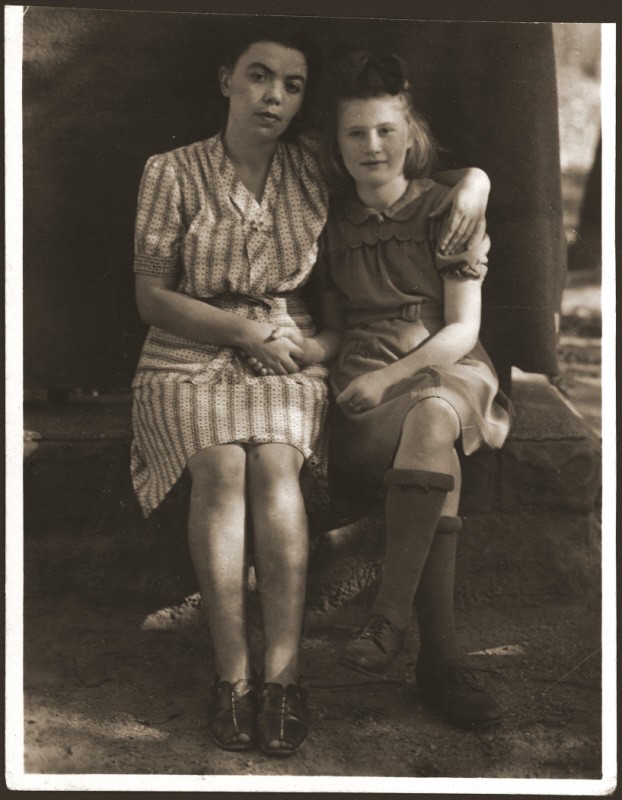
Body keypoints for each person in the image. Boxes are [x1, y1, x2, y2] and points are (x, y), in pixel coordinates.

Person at [130, 22, 492, 756]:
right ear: (226, 78)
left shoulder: (310, 169)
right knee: (220, 463)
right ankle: (233, 677)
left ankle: (287, 677)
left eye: (293, 85)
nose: (274, 96)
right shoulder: (171, 170)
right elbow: (151, 297)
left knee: (275, 462)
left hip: (292, 351)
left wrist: (478, 183)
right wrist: (245, 336)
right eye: (260, 76)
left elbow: (401, 172)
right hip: (187, 350)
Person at [308, 49, 513, 729]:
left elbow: (461, 329)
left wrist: (395, 375)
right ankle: (440, 663)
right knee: (434, 447)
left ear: (409, 133)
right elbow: (336, 322)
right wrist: (361, 375)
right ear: (337, 147)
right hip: (364, 375)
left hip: (446, 365)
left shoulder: (446, 209)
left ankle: (390, 619)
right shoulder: (329, 221)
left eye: (386, 130)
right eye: (356, 133)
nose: (373, 145)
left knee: (432, 416)